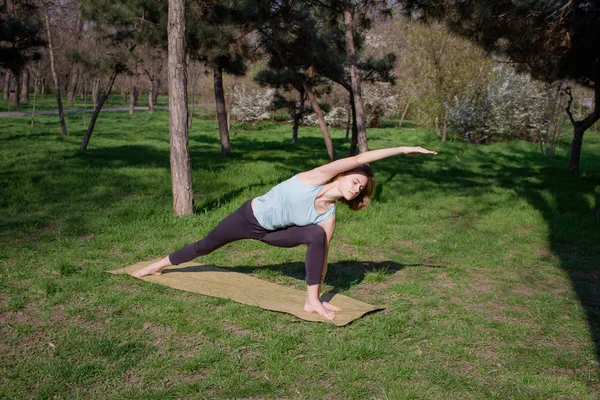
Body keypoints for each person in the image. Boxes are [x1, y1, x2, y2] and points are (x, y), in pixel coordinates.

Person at [133, 146, 437, 320]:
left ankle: (308, 301)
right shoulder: (317, 176)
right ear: (342, 174)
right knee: (205, 246)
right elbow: (359, 159)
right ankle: (158, 265)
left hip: (273, 234)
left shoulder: (328, 215)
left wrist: (318, 295)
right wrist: (402, 149)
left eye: (360, 188)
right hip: (247, 217)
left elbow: (322, 255)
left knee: (318, 237)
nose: (356, 188)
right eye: (355, 181)